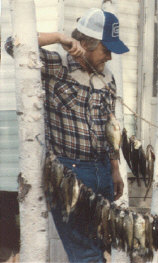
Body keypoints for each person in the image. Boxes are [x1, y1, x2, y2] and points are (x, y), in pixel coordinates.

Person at [6, 8, 129, 262]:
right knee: (85, 253)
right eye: (106, 49)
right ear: (86, 43)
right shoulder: (56, 65)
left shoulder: (108, 77)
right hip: (70, 173)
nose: (109, 57)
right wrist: (60, 37)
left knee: (101, 245)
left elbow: (111, 126)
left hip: (103, 171)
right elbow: (13, 44)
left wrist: (115, 169)